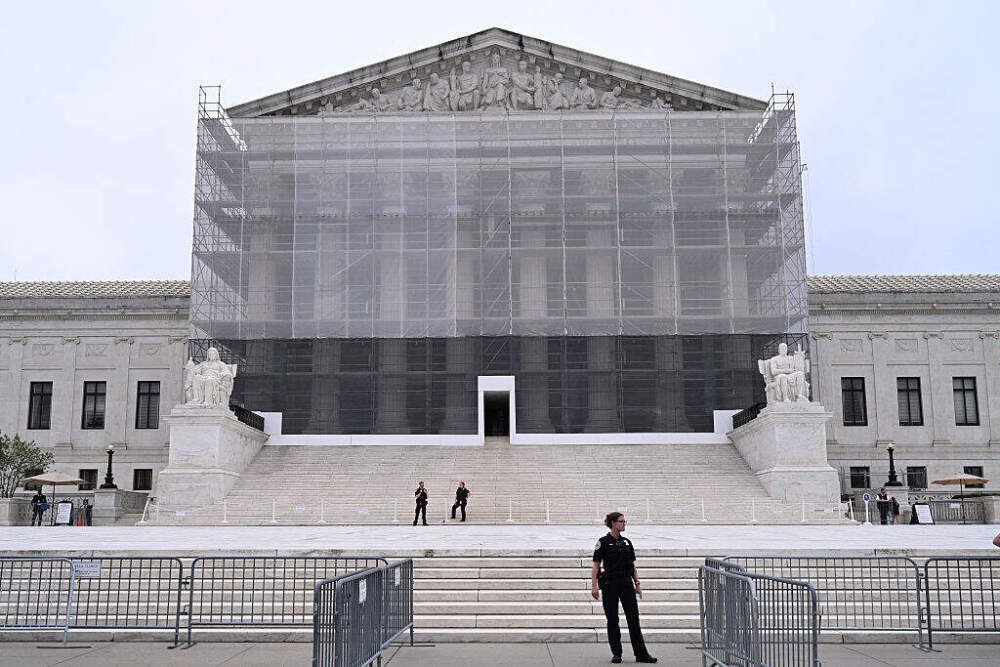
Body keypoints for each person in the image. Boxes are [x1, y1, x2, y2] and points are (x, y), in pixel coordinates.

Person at [591, 512, 657, 664]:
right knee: (612, 619)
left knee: (633, 618)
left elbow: (632, 565)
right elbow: (596, 566)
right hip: (610, 585)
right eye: (621, 521)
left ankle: (641, 654)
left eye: (624, 521)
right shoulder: (603, 542)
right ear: (613, 523)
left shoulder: (627, 542)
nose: (624, 524)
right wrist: (594, 586)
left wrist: (637, 584)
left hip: (626, 584)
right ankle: (617, 653)